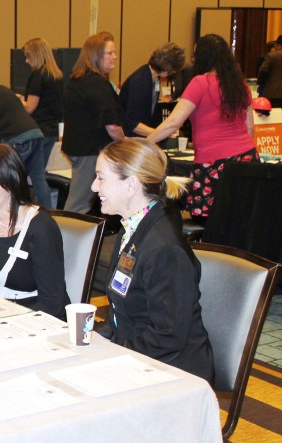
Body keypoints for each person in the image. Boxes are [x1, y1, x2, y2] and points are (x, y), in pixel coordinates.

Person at [92, 137, 214, 384]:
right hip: (138, 355)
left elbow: (168, 337)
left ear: (131, 185)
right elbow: (123, 313)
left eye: (101, 178)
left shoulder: (164, 250)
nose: (95, 187)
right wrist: (98, 340)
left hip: (173, 372)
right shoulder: (133, 229)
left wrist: (112, 356)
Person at [147, 34, 258, 223]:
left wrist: (144, 142)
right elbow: (249, 127)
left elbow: (173, 122)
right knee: (241, 217)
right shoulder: (241, 84)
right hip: (247, 157)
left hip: (213, 163)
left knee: (207, 218)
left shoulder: (200, 83)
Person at [0, 144, 69, 320]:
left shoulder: (40, 228)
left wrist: (6, 322)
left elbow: (52, 303)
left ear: (11, 185)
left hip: (35, 318)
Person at [62, 32, 124, 214]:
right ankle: (65, 240)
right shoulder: (97, 84)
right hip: (89, 151)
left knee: (82, 200)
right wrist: (126, 143)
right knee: (79, 204)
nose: (115, 57)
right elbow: (112, 125)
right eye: (110, 53)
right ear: (96, 56)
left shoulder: (78, 80)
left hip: (80, 149)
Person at [0, 80, 51, 208]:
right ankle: (49, 215)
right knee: (39, 181)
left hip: (16, 139)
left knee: (9, 182)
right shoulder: (2, 90)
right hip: (35, 133)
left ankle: (12, 215)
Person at [20, 37, 63, 206]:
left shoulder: (37, 76)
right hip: (51, 132)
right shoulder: (56, 76)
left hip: (37, 131)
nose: (26, 61)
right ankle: (45, 211)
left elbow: (30, 107)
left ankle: (39, 210)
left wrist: (17, 101)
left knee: (33, 176)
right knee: (39, 175)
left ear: (36, 55)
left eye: (28, 56)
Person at [119, 43, 185, 137]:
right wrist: (160, 133)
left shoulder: (154, 78)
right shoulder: (139, 81)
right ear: (167, 69)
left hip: (137, 137)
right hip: (128, 139)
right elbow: (131, 122)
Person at [258, 35, 282, 108]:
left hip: (273, 93)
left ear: (279, 45)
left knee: (274, 117)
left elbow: (263, 71)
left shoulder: (272, 56)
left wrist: (262, 81)